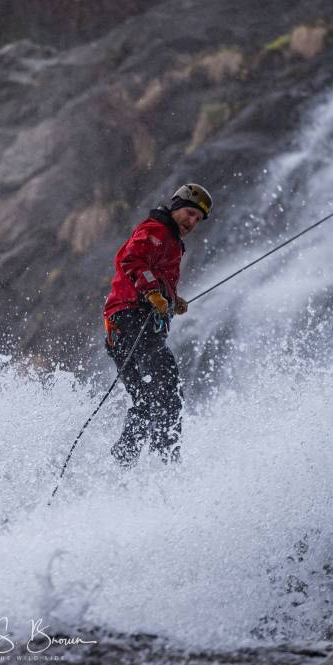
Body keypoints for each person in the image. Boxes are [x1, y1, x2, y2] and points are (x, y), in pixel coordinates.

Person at [103, 183, 212, 467]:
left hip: (123, 330)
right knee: (168, 394)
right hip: (132, 322)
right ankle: (167, 464)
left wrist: (172, 299)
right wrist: (152, 292)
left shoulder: (169, 238)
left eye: (198, 220)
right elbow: (133, 260)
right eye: (189, 213)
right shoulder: (158, 229)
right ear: (176, 207)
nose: (192, 222)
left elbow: (149, 271)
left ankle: (122, 463)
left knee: (146, 402)